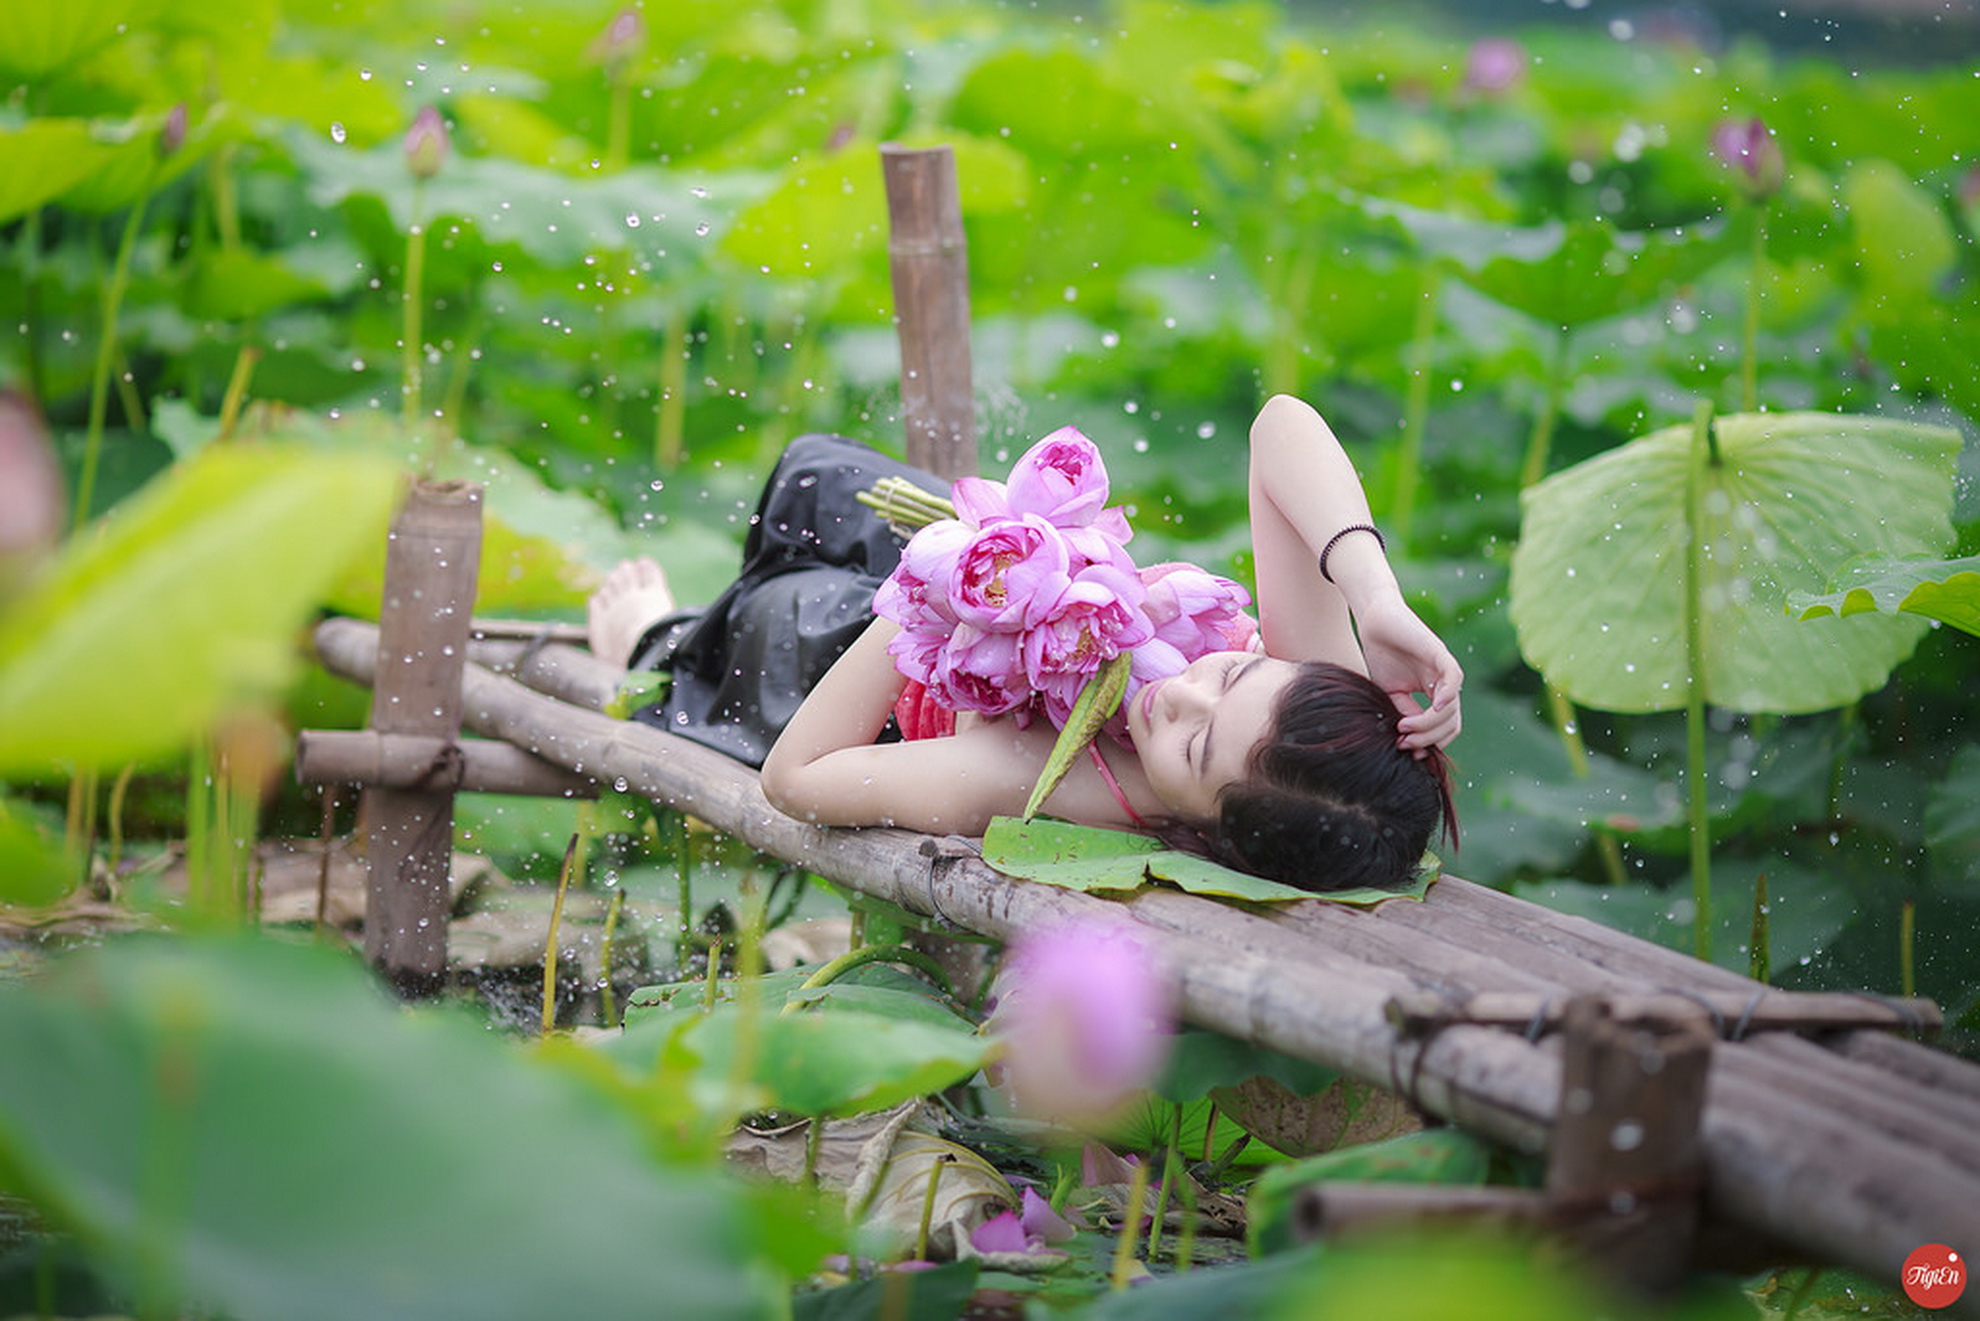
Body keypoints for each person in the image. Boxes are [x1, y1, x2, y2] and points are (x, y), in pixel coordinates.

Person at [587, 394, 1461, 892]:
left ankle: (660, 638)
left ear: (1208, 834)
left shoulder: (1070, 779)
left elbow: (794, 779)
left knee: (765, 616)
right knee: (816, 476)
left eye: (1192, 746)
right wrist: (1372, 594)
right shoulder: (1303, 720)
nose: (1181, 691)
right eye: (1232, 669)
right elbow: (1280, 425)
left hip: (867, 672)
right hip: (998, 601)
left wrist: (939, 579)